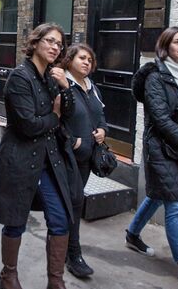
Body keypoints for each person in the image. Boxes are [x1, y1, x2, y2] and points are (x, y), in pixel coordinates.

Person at [0, 23, 82, 289]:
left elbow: (69, 112)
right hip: (20, 159)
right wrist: (54, 116)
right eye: (50, 41)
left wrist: (65, 87)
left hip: (48, 161)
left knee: (60, 218)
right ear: (35, 42)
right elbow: (29, 125)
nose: (56, 47)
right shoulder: (20, 77)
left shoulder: (50, 78)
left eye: (59, 44)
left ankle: (55, 281)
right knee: (15, 220)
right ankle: (8, 275)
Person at [126, 27, 178, 287]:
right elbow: (160, 119)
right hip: (160, 149)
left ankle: (132, 234)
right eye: (177, 42)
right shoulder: (155, 76)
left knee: (158, 195)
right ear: (166, 45)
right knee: (173, 204)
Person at [57, 43, 107, 278]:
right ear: (69, 60)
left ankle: (65, 250)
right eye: (82, 58)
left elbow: (100, 115)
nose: (87, 62)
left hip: (87, 156)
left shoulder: (91, 86)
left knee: (73, 203)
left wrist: (103, 131)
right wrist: (73, 141)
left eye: (90, 59)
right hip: (67, 155)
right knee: (74, 201)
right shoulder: (62, 83)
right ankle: (72, 254)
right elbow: (54, 120)